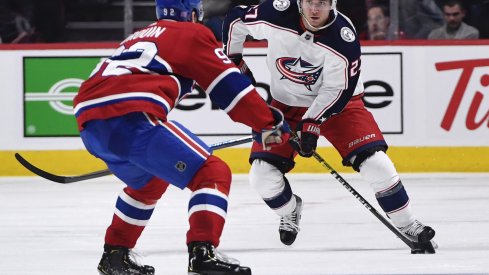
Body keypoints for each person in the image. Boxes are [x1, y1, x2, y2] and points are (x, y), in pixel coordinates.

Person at [73, 0, 290, 274]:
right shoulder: (191, 33)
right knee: (212, 172)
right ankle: (202, 254)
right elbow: (230, 88)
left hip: (89, 122)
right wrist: (269, 124)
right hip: (132, 115)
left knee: (148, 183)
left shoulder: (138, 36)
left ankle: (115, 255)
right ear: (192, 12)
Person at [222, 0, 437, 250]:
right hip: (284, 109)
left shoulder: (342, 38)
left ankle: (407, 223)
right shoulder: (275, 13)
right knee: (261, 176)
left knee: (377, 164)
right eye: (310, 2)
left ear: (332, 4)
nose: (315, 10)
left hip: (340, 106)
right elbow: (236, 19)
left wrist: (311, 124)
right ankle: (290, 210)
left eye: (322, 3)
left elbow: (337, 89)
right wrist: (234, 60)